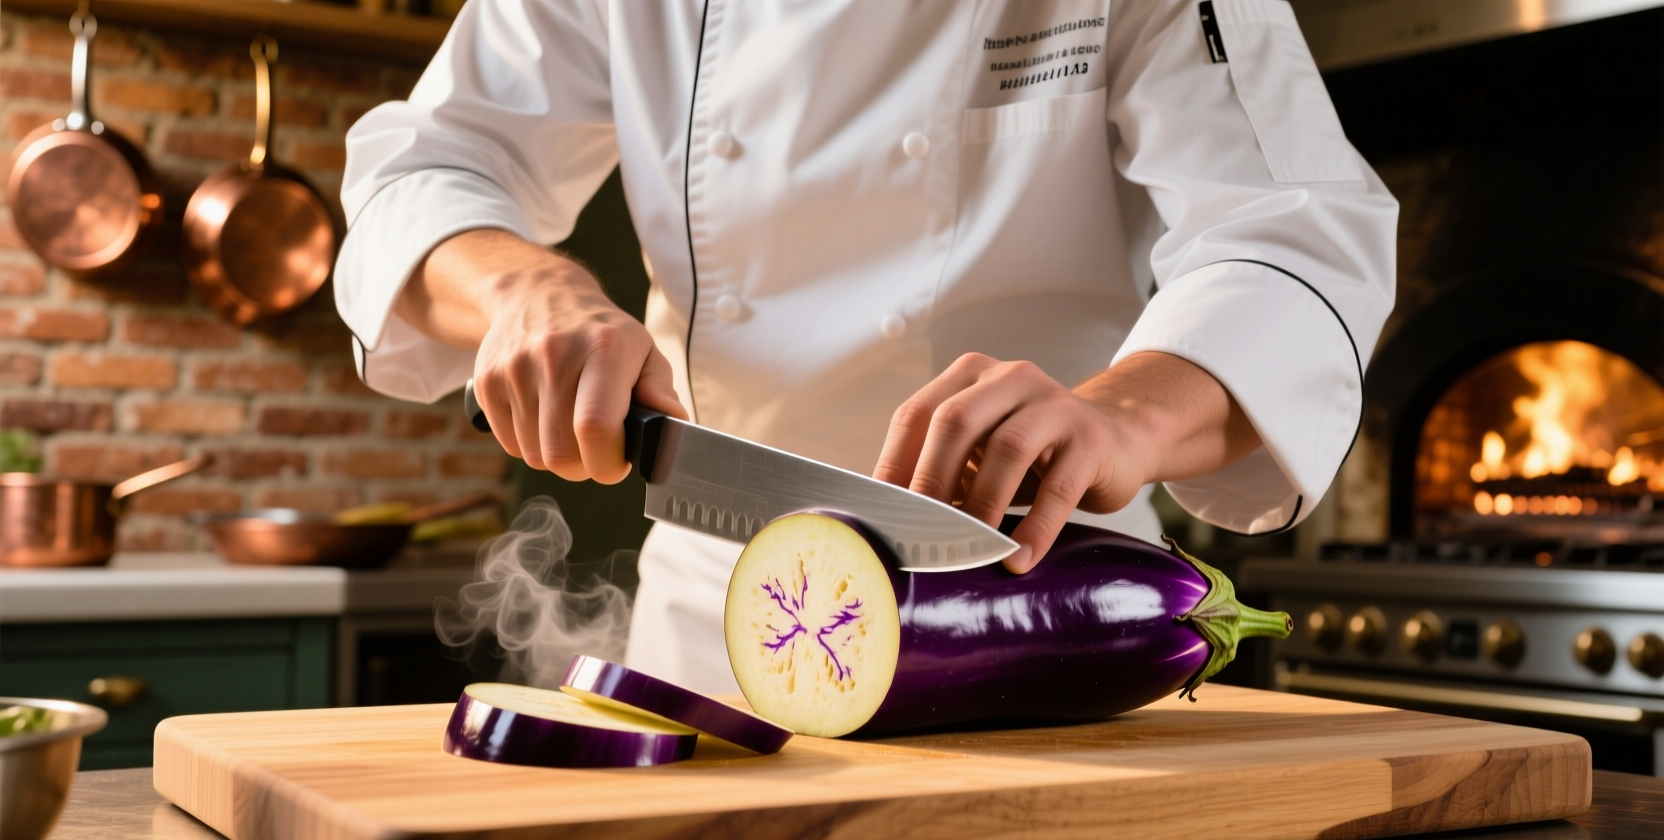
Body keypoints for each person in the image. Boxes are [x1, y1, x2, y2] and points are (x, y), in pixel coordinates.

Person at [335, 1, 1397, 694]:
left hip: (1042, 607)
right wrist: (523, 288)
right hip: (717, 635)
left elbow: (1297, 222)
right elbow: (422, 172)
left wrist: (1125, 410)